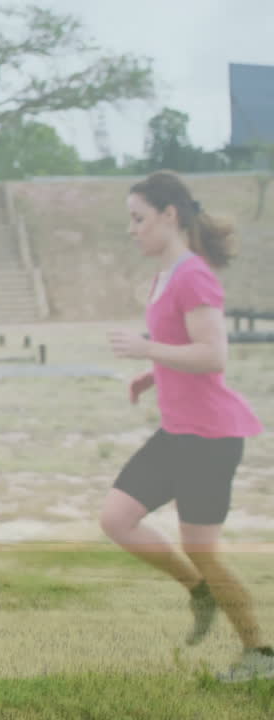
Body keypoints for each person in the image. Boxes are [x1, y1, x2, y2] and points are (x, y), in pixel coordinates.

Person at [104, 170, 273, 683]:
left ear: (169, 215)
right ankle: (199, 592)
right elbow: (183, 348)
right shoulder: (165, 276)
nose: (132, 230)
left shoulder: (193, 274)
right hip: (179, 432)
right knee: (116, 519)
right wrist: (151, 375)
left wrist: (148, 349)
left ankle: (261, 655)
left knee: (207, 553)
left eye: (138, 218)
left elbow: (213, 354)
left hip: (210, 439)